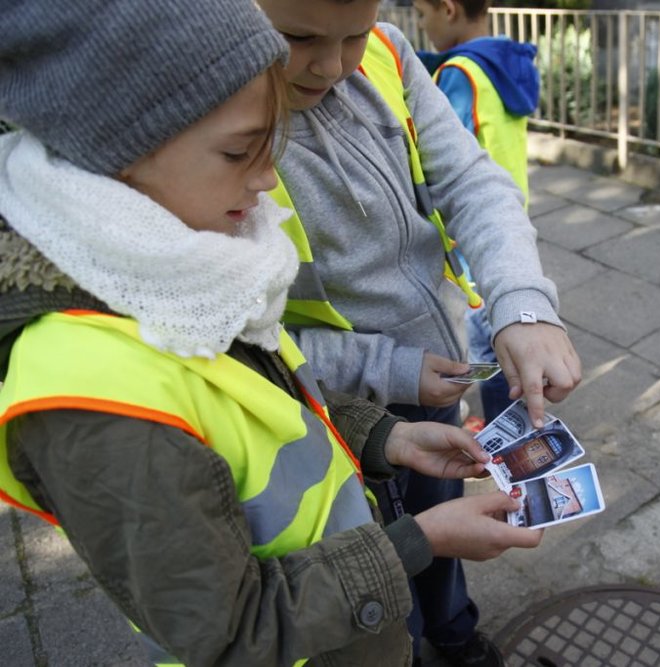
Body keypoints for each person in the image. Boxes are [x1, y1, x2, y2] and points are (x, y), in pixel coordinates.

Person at [0, 1, 542, 665]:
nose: (267, 179)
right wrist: (416, 541)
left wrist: (384, 436)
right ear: (112, 150)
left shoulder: (187, 269)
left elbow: (268, 397)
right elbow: (230, 631)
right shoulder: (93, 401)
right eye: (240, 152)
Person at [254, 0, 582, 663]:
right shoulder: (220, 126)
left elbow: (472, 180)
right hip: (327, 408)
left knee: (443, 517)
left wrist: (522, 301)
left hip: (435, 374)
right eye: (298, 37)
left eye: (353, 33)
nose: (334, 65)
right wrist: (390, 369)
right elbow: (245, 342)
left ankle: (453, 631)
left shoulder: (387, 51)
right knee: (371, 558)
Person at [413, 0, 540, 424]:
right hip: (509, 216)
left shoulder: (458, 74)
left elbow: (441, 162)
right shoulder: (505, 61)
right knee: (503, 341)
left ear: (448, 9)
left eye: (422, 13)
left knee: (488, 348)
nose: (421, 24)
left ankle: (510, 434)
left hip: (469, 241)